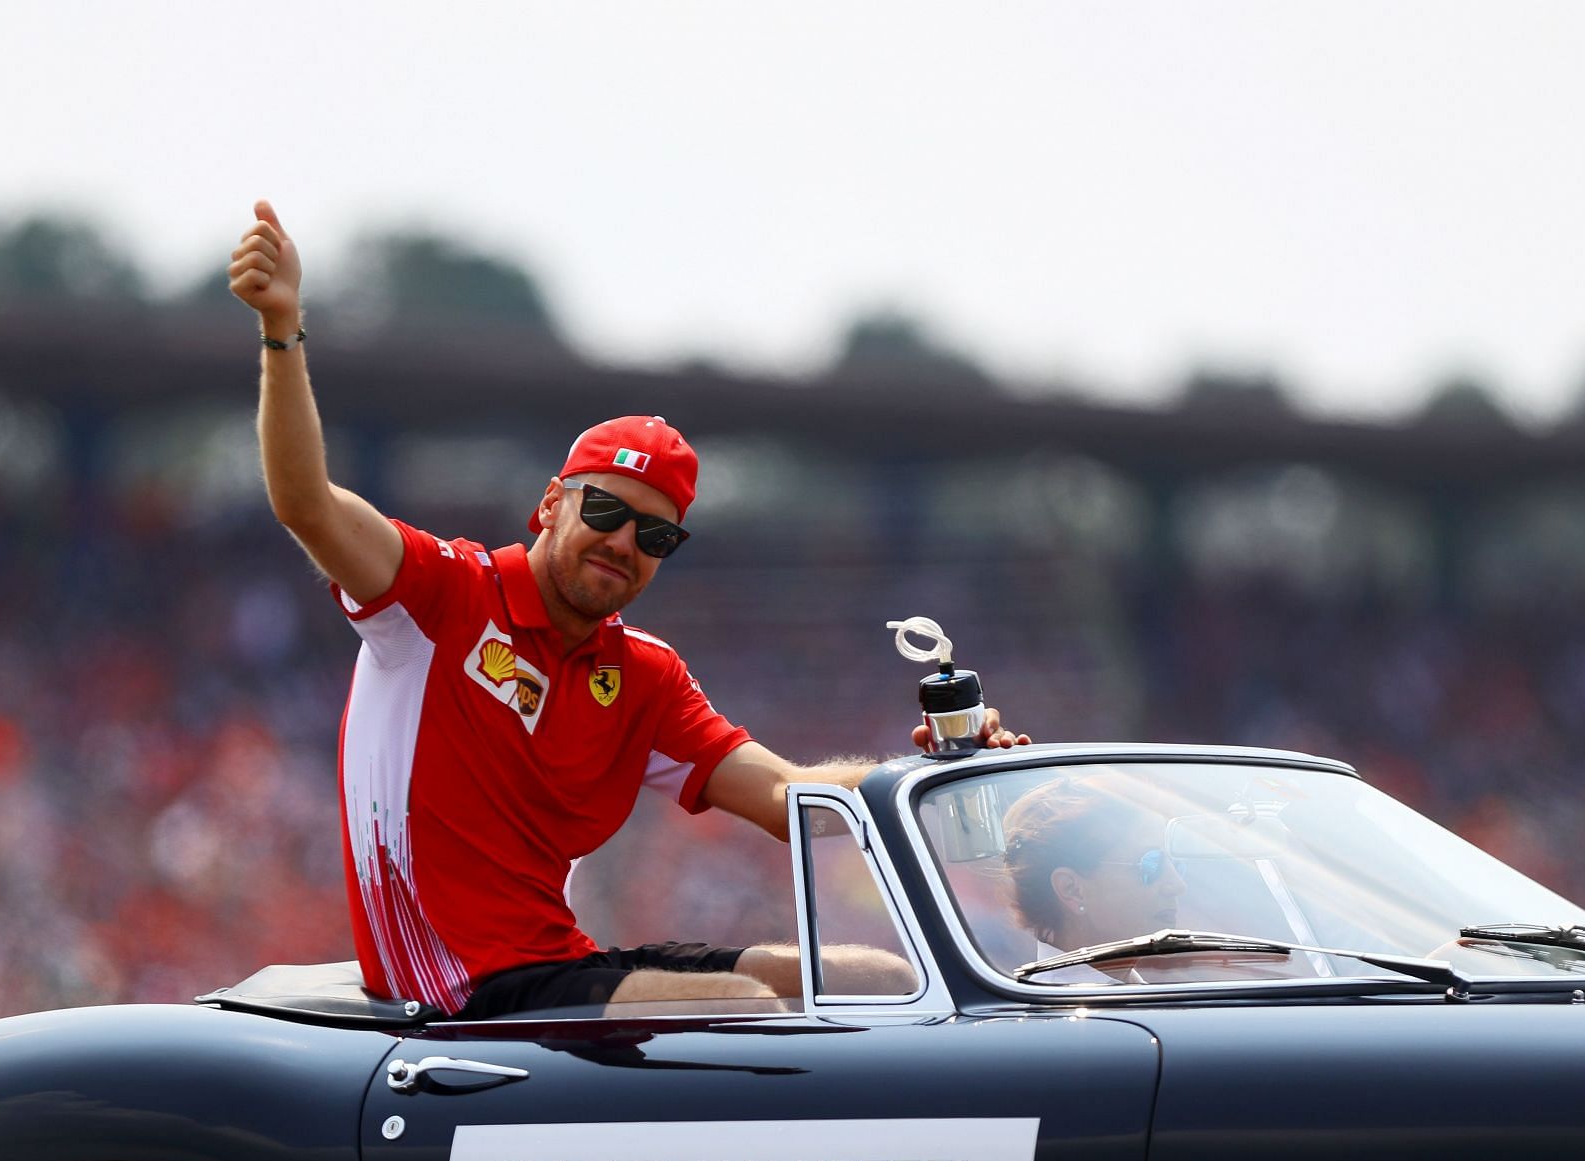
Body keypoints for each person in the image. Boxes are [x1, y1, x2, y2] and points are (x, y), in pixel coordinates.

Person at [226, 201, 1027, 1018]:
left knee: (879, 979)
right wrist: (282, 329)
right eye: (605, 512)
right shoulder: (443, 592)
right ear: (551, 504)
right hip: (459, 991)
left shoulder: (643, 674)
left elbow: (793, 800)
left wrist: (942, 770)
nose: (622, 542)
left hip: (558, 963)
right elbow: (305, 504)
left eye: (654, 534)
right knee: (743, 1006)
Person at [1001, 778, 1185, 982]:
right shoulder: (1056, 1008)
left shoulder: (1132, 990)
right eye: (1151, 864)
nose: (1177, 885)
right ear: (1072, 889)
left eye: (1174, 864)